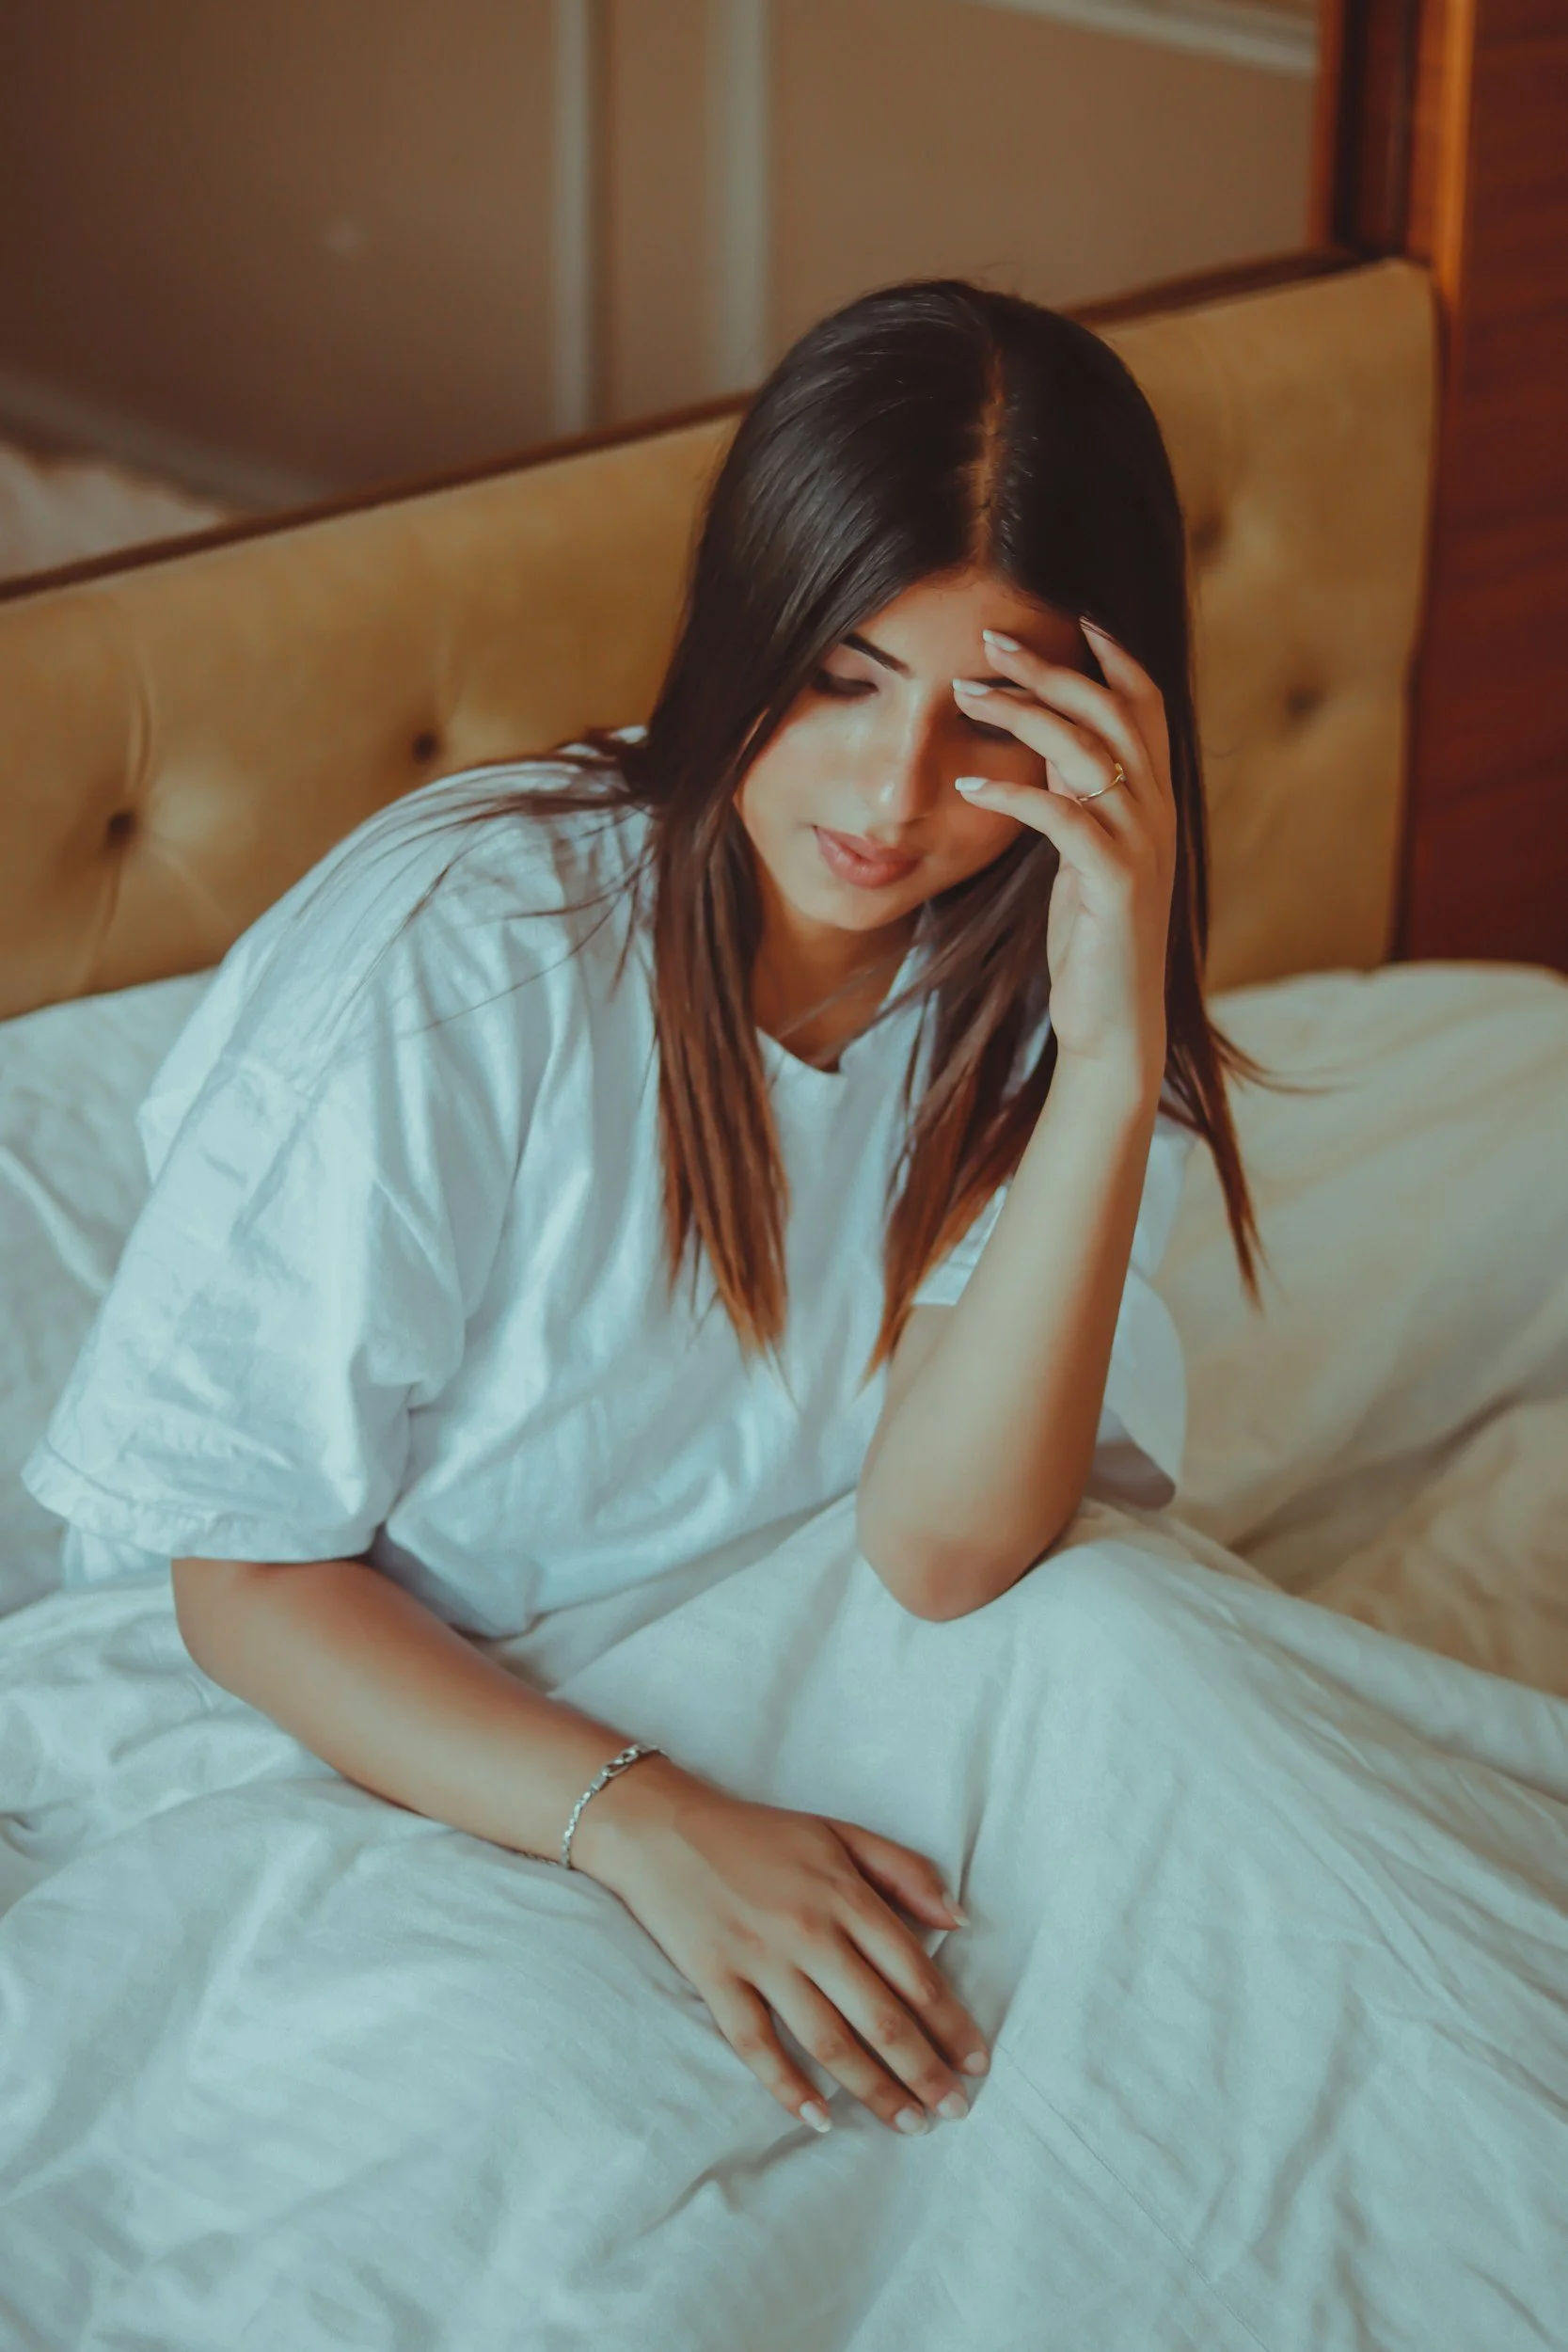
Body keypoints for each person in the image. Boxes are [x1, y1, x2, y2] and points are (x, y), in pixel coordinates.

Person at [22, 275, 1265, 2150]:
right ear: (747, 619)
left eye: (988, 718)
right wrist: (644, 1820)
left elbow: (941, 1549)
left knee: (1196, 1836)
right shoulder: (468, 950)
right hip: (362, 1706)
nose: (893, 792)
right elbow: (242, 1575)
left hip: (772, 1660)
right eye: (842, 675)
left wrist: (1101, 1068)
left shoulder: (1048, 995)